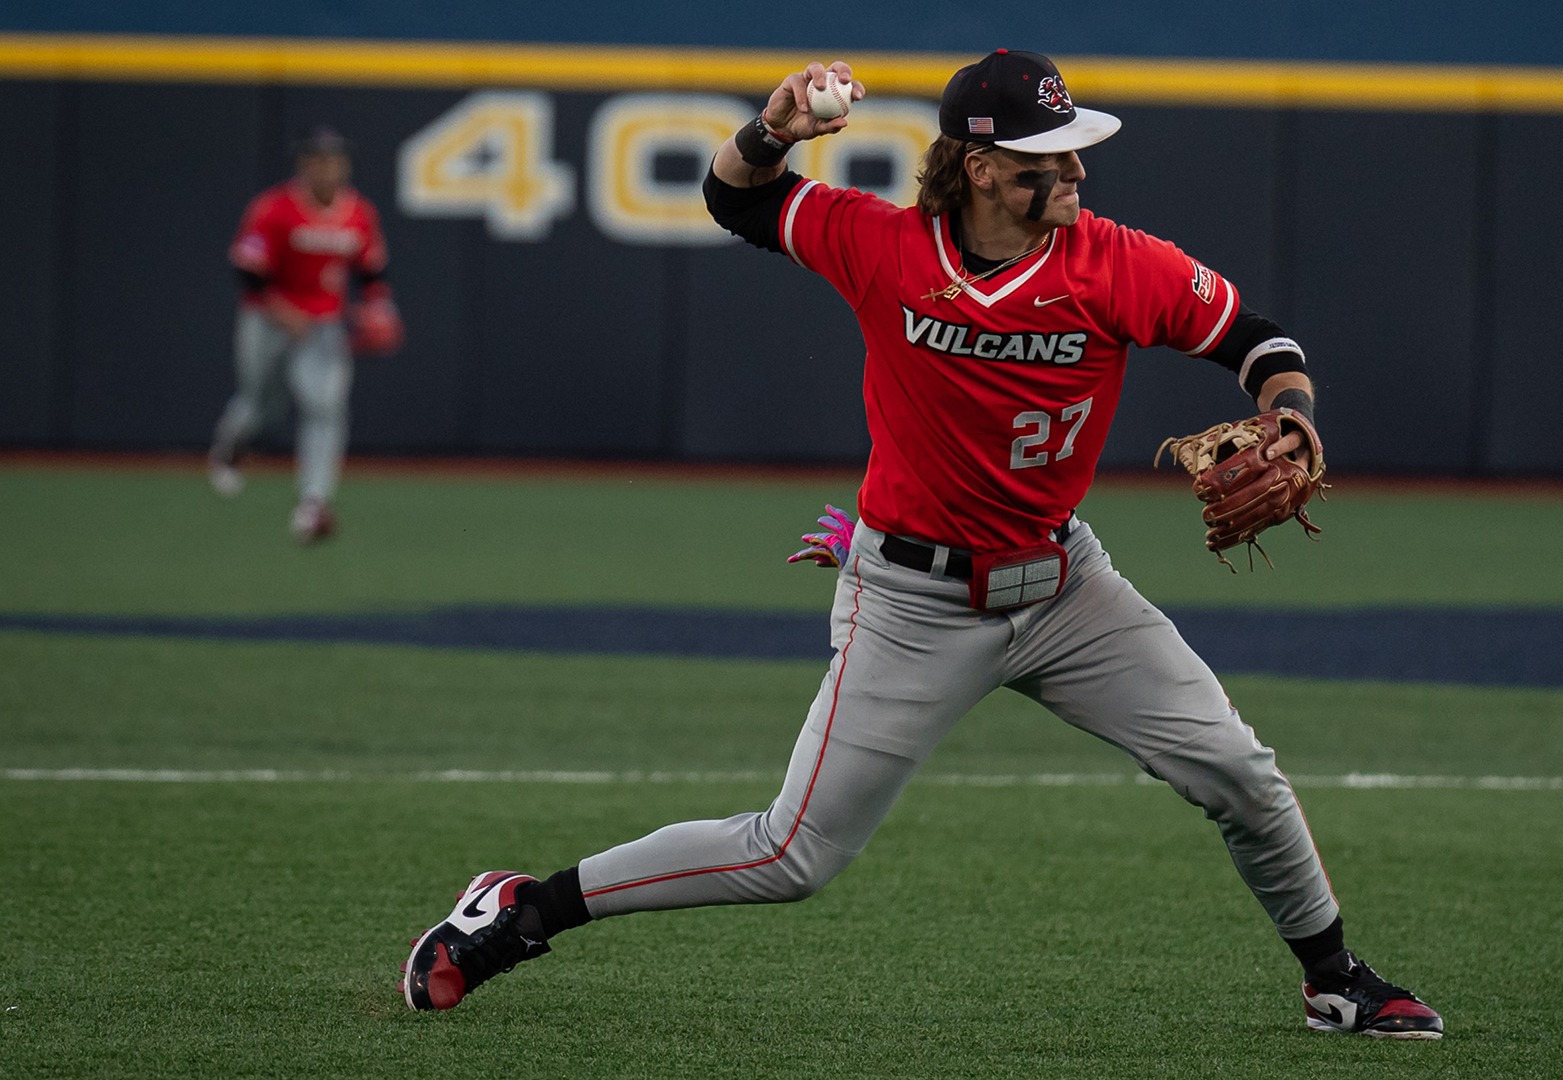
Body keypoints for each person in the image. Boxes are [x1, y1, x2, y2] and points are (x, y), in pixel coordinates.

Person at [402, 50, 1443, 1040]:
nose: (1077, 168)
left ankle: (1337, 982)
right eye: (1050, 156)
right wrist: (771, 130)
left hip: (1067, 592)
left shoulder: (1117, 263)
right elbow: (735, 200)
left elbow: (1256, 341)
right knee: (793, 854)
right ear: (983, 169)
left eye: (1076, 147)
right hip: (912, 603)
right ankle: (522, 908)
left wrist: (1292, 410)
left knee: (1240, 774)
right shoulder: (885, 246)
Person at [207, 125, 401, 544]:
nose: (326, 168)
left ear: (345, 166)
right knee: (261, 407)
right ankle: (232, 443)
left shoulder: (358, 213)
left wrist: (378, 306)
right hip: (268, 319)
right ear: (303, 166)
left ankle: (314, 504)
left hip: (323, 325)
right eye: (316, 160)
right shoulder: (273, 208)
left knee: (325, 408)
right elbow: (247, 272)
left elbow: (372, 271)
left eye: (333, 160)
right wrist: (280, 310)